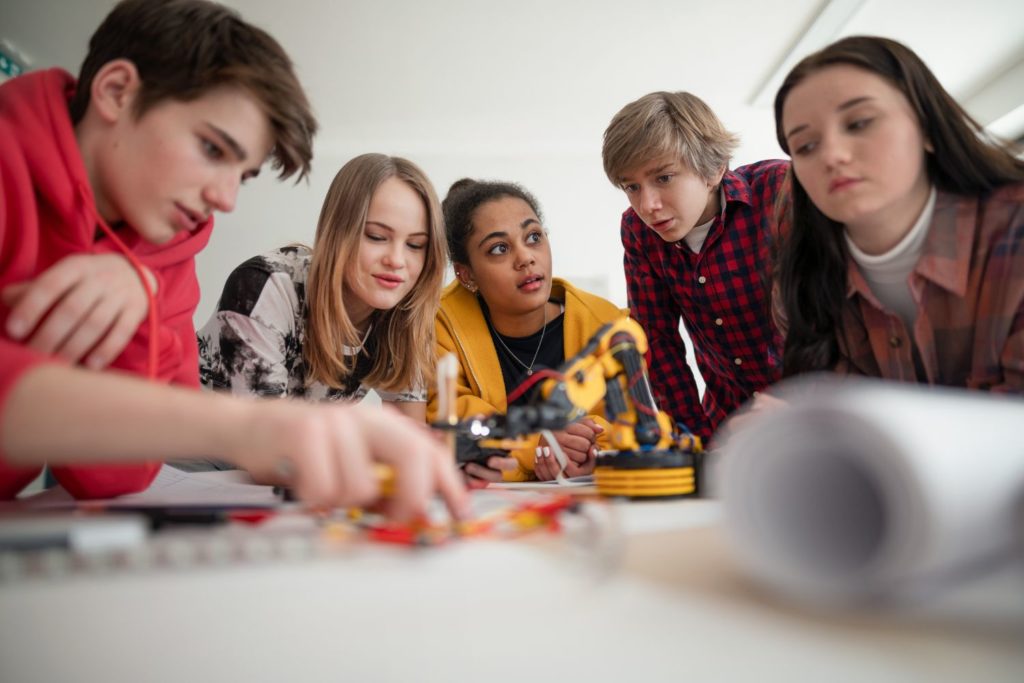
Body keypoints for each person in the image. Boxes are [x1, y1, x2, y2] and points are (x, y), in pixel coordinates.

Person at [0, 0, 467, 520]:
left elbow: (116, 474)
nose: (226, 200)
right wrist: (259, 429)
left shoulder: (164, 253)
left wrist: (136, 305)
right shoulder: (256, 278)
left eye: (242, 174)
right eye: (212, 149)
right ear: (116, 92)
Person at [772, 35, 1024, 391]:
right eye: (806, 146)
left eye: (859, 123)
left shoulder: (1014, 227)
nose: (832, 155)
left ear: (926, 127)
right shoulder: (801, 285)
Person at [197, 153, 444, 426]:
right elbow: (262, 441)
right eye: (376, 237)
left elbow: (409, 440)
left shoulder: (404, 312)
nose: (396, 260)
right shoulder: (264, 286)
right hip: (183, 459)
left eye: (415, 245)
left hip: (283, 459)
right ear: (338, 231)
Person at [601, 92, 789, 445]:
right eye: (632, 187)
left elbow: (830, 317)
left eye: (664, 178)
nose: (648, 204)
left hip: (814, 415)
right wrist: (693, 441)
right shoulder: (638, 231)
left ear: (714, 169)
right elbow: (657, 342)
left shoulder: (780, 191)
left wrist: (800, 403)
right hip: (726, 429)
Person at [427, 179, 624, 482]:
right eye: (499, 248)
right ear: (466, 274)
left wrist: (591, 453)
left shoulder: (605, 322)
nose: (525, 258)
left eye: (533, 237)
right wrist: (538, 445)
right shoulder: (439, 324)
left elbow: (628, 420)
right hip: (485, 515)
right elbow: (447, 415)